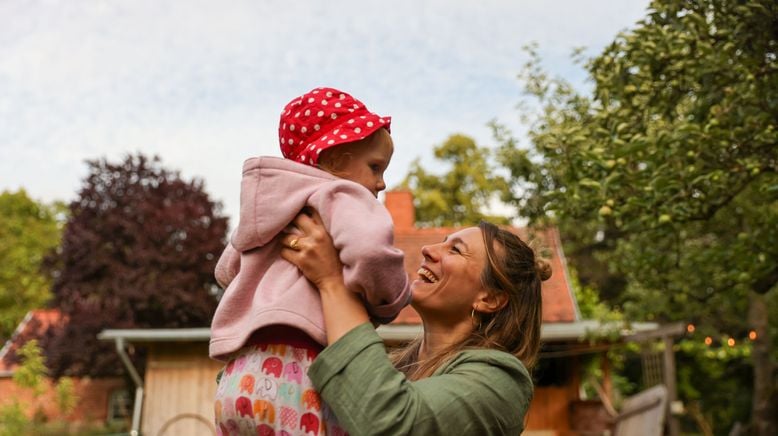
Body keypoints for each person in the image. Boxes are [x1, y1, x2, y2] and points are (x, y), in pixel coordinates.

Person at [210, 87, 412, 435]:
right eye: (375, 167)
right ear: (334, 162)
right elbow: (370, 252)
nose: (380, 183)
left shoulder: (266, 207)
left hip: (239, 379)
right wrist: (391, 299)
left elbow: (227, 271)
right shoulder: (341, 194)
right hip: (298, 374)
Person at [280, 211, 551, 435]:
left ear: (489, 299)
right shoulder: (395, 367)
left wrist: (332, 282)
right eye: (442, 242)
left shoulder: (500, 382)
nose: (428, 250)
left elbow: (388, 423)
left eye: (455, 250)